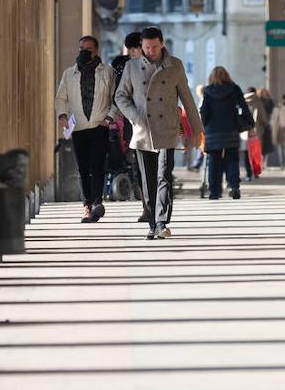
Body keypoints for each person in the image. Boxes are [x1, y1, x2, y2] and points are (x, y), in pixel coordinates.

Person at [115, 26, 204, 240]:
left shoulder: (175, 65)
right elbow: (120, 96)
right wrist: (136, 117)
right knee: (148, 180)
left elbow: (187, 98)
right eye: (147, 47)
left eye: (155, 46)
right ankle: (153, 224)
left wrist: (197, 129)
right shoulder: (131, 67)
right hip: (142, 130)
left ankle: (162, 222)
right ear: (142, 46)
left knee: (164, 175)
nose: (151, 51)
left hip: (167, 128)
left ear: (162, 44)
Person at [55, 35, 118, 222]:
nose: (84, 52)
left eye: (88, 49)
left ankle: (97, 202)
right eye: (81, 48)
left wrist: (109, 118)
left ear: (96, 51)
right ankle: (87, 206)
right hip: (78, 127)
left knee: (97, 166)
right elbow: (61, 97)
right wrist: (62, 116)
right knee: (83, 168)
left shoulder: (108, 72)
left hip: (99, 125)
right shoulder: (69, 74)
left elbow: (116, 97)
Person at [111, 32, 150, 224]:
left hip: (153, 121)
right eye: (130, 48)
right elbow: (117, 94)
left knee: (155, 166)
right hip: (131, 122)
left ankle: (155, 205)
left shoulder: (154, 63)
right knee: (137, 166)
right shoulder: (121, 66)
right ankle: (146, 207)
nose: (133, 51)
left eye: (136, 47)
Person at [199, 67, 251, 200]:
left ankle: (214, 191)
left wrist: (202, 125)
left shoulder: (208, 91)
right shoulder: (234, 89)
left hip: (213, 132)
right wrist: (249, 122)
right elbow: (244, 106)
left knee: (213, 161)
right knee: (232, 159)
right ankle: (234, 186)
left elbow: (204, 111)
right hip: (231, 130)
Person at [242, 87, 269, 181]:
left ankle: (248, 174)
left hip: (244, 132)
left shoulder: (242, 102)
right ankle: (256, 171)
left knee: (246, 153)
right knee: (255, 152)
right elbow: (264, 118)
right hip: (256, 131)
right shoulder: (259, 102)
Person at [271, 93, 285, 170]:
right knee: (280, 148)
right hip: (279, 130)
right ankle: (282, 164)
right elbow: (273, 120)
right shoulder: (278, 109)